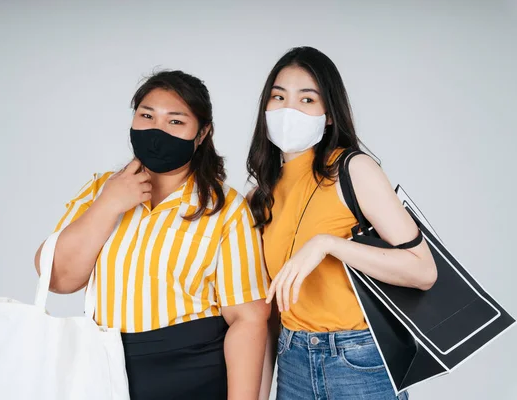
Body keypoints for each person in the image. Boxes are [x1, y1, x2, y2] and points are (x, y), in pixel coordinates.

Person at [34, 70, 271, 400]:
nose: (157, 131)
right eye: (147, 116)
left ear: (202, 133)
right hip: (105, 367)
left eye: (175, 121)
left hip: (194, 373)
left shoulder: (225, 208)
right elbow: (58, 279)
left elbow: (248, 318)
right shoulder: (101, 189)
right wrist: (108, 205)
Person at [247, 47, 438, 400]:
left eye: (307, 99)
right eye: (279, 96)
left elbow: (423, 271)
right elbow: (272, 309)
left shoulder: (352, 169)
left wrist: (327, 244)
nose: (289, 109)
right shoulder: (261, 194)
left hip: (357, 359)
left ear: (329, 114)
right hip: (292, 360)